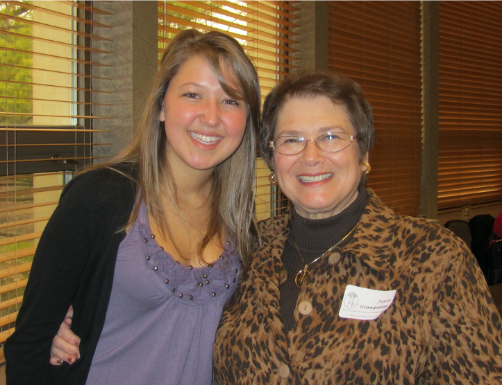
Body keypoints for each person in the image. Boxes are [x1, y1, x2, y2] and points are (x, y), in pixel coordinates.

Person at [4, 29, 261, 385]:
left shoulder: (243, 229)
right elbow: (29, 347)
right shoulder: (98, 198)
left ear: (247, 119)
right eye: (192, 95)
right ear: (160, 106)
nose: (211, 116)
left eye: (231, 100)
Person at [213, 71, 502, 384]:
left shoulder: (434, 258)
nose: (311, 156)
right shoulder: (247, 251)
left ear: (363, 153)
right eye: (292, 140)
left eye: (331, 137)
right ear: (272, 158)